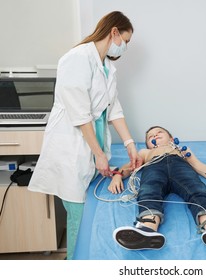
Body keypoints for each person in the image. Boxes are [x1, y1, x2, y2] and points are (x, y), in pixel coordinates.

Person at [28, 11, 142, 260]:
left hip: (91, 142)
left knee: (84, 209)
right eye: (126, 40)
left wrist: (130, 143)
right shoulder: (77, 58)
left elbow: (114, 109)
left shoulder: (107, 67)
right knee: (78, 217)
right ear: (114, 32)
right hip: (72, 145)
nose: (125, 47)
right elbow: (80, 114)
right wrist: (99, 154)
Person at [108, 126, 206, 250]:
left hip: (180, 168)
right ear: (148, 144)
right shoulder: (145, 153)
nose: (155, 136)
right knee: (149, 189)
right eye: (150, 136)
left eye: (159, 133)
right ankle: (148, 227)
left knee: (196, 188)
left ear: (171, 138)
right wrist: (117, 176)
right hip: (154, 167)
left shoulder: (180, 150)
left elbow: (198, 165)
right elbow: (129, 167)